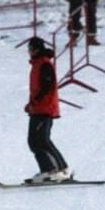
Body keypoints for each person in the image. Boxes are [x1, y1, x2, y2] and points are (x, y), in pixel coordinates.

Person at [24, 37, 72, 185]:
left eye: (30, 49)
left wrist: (35, 101)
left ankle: (61, 169)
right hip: (37, 109)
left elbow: (47, 86)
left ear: (36, 50)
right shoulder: (37, 64)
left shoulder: (44, 64)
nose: (29, 52)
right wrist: (31, 103)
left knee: (42, 140)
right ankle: (48, 169)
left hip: (45, 109)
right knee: (33, 142)